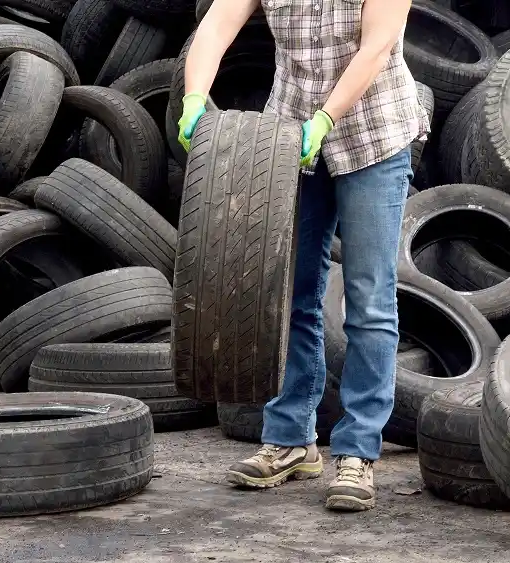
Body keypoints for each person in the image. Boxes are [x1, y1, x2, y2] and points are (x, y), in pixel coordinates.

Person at [177, 0, 427, 512]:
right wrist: (194, 96)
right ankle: (290, 438)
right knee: (289, 290)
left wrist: (326, 119)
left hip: (373, 136)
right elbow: (217, 24)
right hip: (288, 138)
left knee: (369, 298)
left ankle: (357, 453)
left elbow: (377, 47)